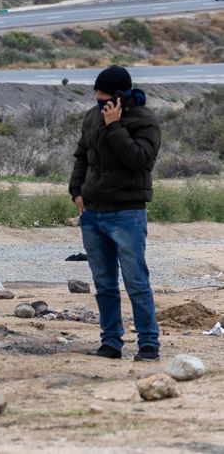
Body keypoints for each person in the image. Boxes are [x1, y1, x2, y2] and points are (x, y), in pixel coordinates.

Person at [69, 65, 161, 362]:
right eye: (96, 92)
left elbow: (139, 160)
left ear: (120, 95)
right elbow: (83, 156)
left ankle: (148, 344)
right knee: (104, 284)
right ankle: (110, 342)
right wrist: (76, 191)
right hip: (93, 214)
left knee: (136, 282)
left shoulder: (145, 121)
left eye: (103, 93)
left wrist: (114, 127)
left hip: (127, 213)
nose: (98, 97)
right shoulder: (92, 116)